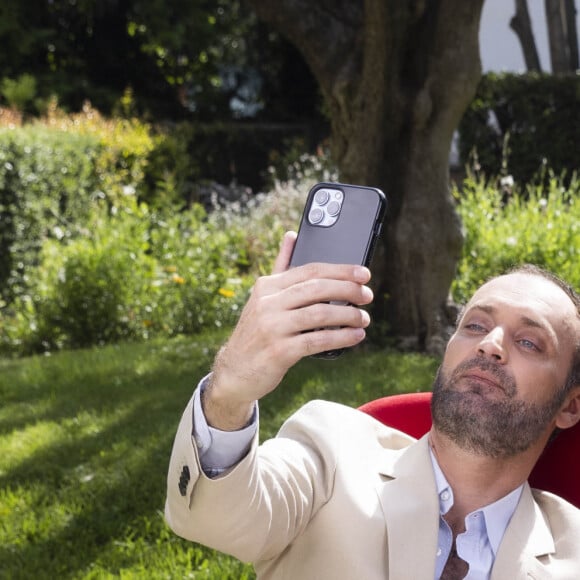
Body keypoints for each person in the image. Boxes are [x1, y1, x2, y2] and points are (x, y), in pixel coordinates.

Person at [165, 231, 580, 579]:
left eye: (529, 341)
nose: (490, 345)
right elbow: (211, 519)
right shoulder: (331, 449)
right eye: (475, 325)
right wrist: (229, 393)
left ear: (570, 406)